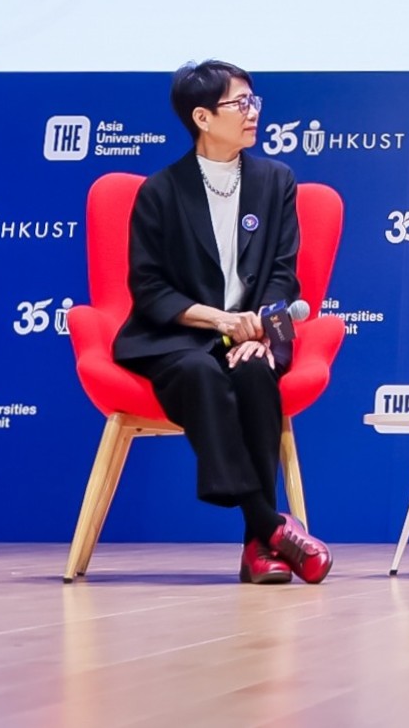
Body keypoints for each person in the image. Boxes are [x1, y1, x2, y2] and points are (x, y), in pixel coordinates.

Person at [113, 60, 332, 585]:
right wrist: (222, 321)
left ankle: (259, 548)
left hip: (256, 333)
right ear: (203, 117)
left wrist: (262, 333)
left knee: (255, 373)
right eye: (241, 103)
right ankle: (269, 525)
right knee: (200, 372)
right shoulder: (160, 192)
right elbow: (149, 288)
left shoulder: (276, 180)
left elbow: (284, 276)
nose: (253, 112)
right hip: (177, 337)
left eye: (254, 101)